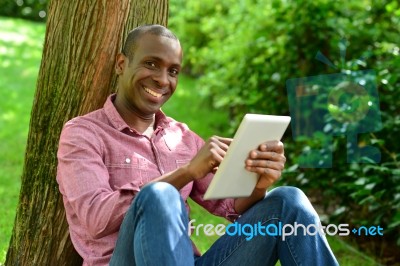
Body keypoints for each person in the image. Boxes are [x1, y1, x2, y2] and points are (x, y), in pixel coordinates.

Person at [56, 24, 338, 266]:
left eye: (174, 71)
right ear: (121, 64)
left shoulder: (182, 138)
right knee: (160, 195)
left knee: (289, 200)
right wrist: (186, 173)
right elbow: (94, 219)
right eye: (151, 64)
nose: (163, 79)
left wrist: (259, 183)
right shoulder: (83, 134)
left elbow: (232, 209)